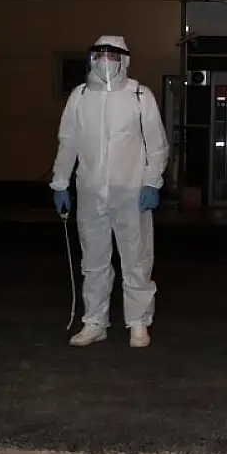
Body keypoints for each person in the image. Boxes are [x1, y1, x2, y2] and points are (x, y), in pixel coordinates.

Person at [51, 35, 169, 349]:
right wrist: (60, 182)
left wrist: (151, 182)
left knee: (136, 259)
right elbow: (68, 142)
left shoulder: (139, 96)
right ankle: (94, 321)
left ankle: (138, 322)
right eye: (100, 54)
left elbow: (156, 145)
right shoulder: (80, 97)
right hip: (90, 191)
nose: (106, 60)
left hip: (130, 192)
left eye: (113, 54)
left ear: (124, 59)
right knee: (94, 260)